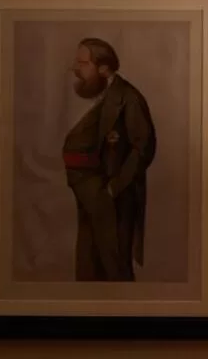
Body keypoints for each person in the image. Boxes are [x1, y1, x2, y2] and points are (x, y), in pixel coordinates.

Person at [62, 37, 157, 281]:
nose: (75, 68)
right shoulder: (96, 94)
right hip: (88, 192)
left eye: (83, 63)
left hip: (110, 197)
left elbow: (142, 148)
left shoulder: (129, 98)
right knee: (88, 265)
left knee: (113, 265)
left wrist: (114, 188)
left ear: (104, 69)